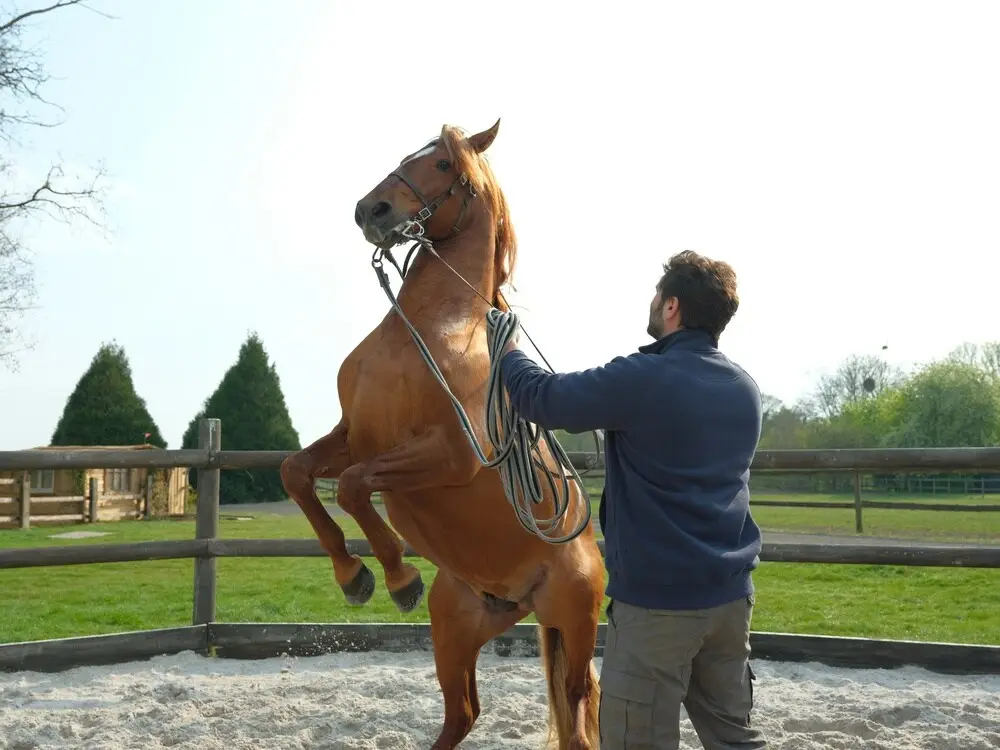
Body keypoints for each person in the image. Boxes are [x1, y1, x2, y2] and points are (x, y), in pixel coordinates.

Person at [500, 250, 767, 749]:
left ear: (671, 307)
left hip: (658, 609)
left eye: (655, 295)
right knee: (736, 737)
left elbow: (542, 398)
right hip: (731, 601)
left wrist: (509, 349)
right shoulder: (744, 387)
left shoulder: (644, 378)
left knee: (634, 740)